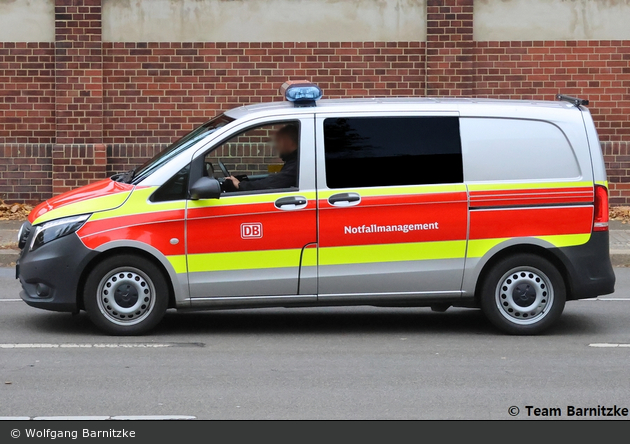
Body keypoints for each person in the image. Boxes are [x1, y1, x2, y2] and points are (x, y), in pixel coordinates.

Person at [225, 124, 299, 191]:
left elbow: (275, 182)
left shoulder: (297, 165)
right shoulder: (293, 160)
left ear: (291, 143)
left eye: (280, 141)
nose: (276, 145)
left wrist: (240, 185)